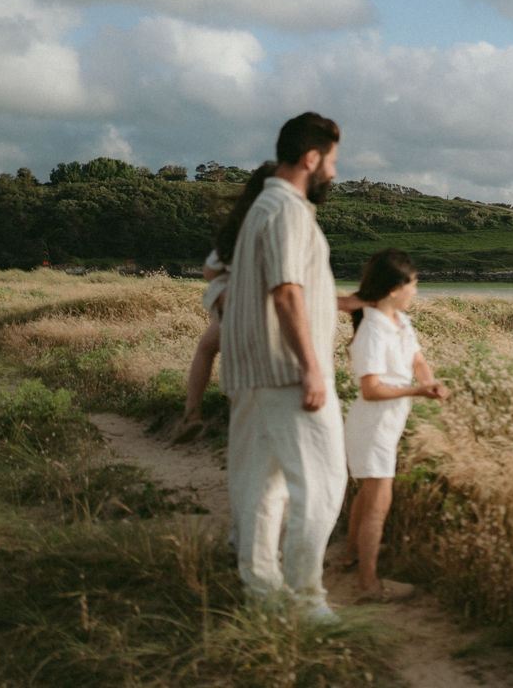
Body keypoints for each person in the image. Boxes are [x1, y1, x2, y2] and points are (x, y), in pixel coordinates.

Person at [221, 112, 350, 622]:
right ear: (311, 158)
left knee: (260, 486)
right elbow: (286, 291)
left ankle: (261, 594)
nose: (335, 175)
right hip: (287, 374)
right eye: (333, 162)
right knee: (322, 483)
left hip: (255, 371)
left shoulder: (260, 208)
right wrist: (312, 366)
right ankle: (305, 598)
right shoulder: (289, 211)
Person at [337, 248, 449, 602]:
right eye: (412, 285)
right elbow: (370, 390)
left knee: (368, 496)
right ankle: (368, 585)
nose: (416, 291)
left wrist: (428, 379)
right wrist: (418, 391)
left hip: (385, 426)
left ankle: (351, 555)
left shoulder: (400, 321)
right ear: (392, 290)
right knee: (378, 505)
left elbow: (417, 358)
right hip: (372, 427)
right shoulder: (372, 330)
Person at [173, 161, 279, 445]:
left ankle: (192, 412)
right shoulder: (285, 220)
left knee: (206, 350)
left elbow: (208, 271)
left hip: (236, 306)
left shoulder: (240, 224)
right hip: (272, 307)